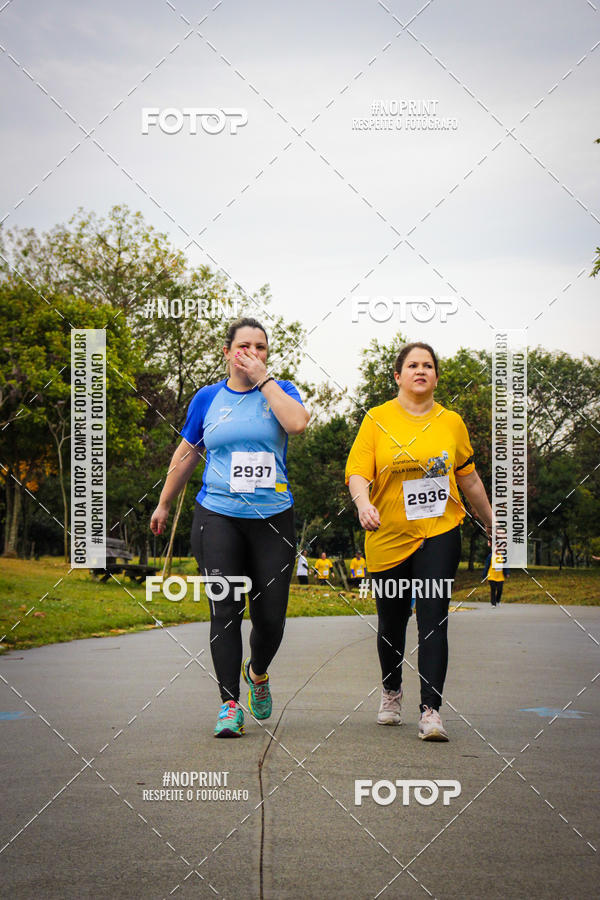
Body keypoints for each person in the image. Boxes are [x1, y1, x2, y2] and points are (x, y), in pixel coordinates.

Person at [150, 317, 309, 738]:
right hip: (217, 516)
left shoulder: (282, 390)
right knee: (225, 611)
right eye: (243, 346)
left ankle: (257, 672)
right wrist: (164, 503)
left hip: (272, 519)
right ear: (227, 353)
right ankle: (229, 704)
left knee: (270, 618)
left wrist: (265, 381)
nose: (252, 353)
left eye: (260, 347)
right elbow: (186, 453)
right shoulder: (207, 398)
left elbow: (297, 424)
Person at [346, 342, 493, 741]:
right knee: (392, 622)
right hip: (388, 535)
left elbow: (469, 478)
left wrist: (492, 522)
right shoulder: (376, 420)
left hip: (439, 531)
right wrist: (363, 504)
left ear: (436, 376)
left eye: (428, 365)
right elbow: (358, 473)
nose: (420, 370)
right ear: (398, 376)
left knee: (433, 620)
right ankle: (391, 692)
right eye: (412, 365)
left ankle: (432, 711)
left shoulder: (451, 422)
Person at [485, 541, 508, 606]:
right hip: (491, 575)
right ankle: (493, 603)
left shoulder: (503, 556)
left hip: (500, 576)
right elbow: (487, 566)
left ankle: (497, 601)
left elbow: (505, 566)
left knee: (500, 590)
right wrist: (484, 575)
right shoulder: (490, 556)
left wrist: (507, 573)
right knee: (493, 589)